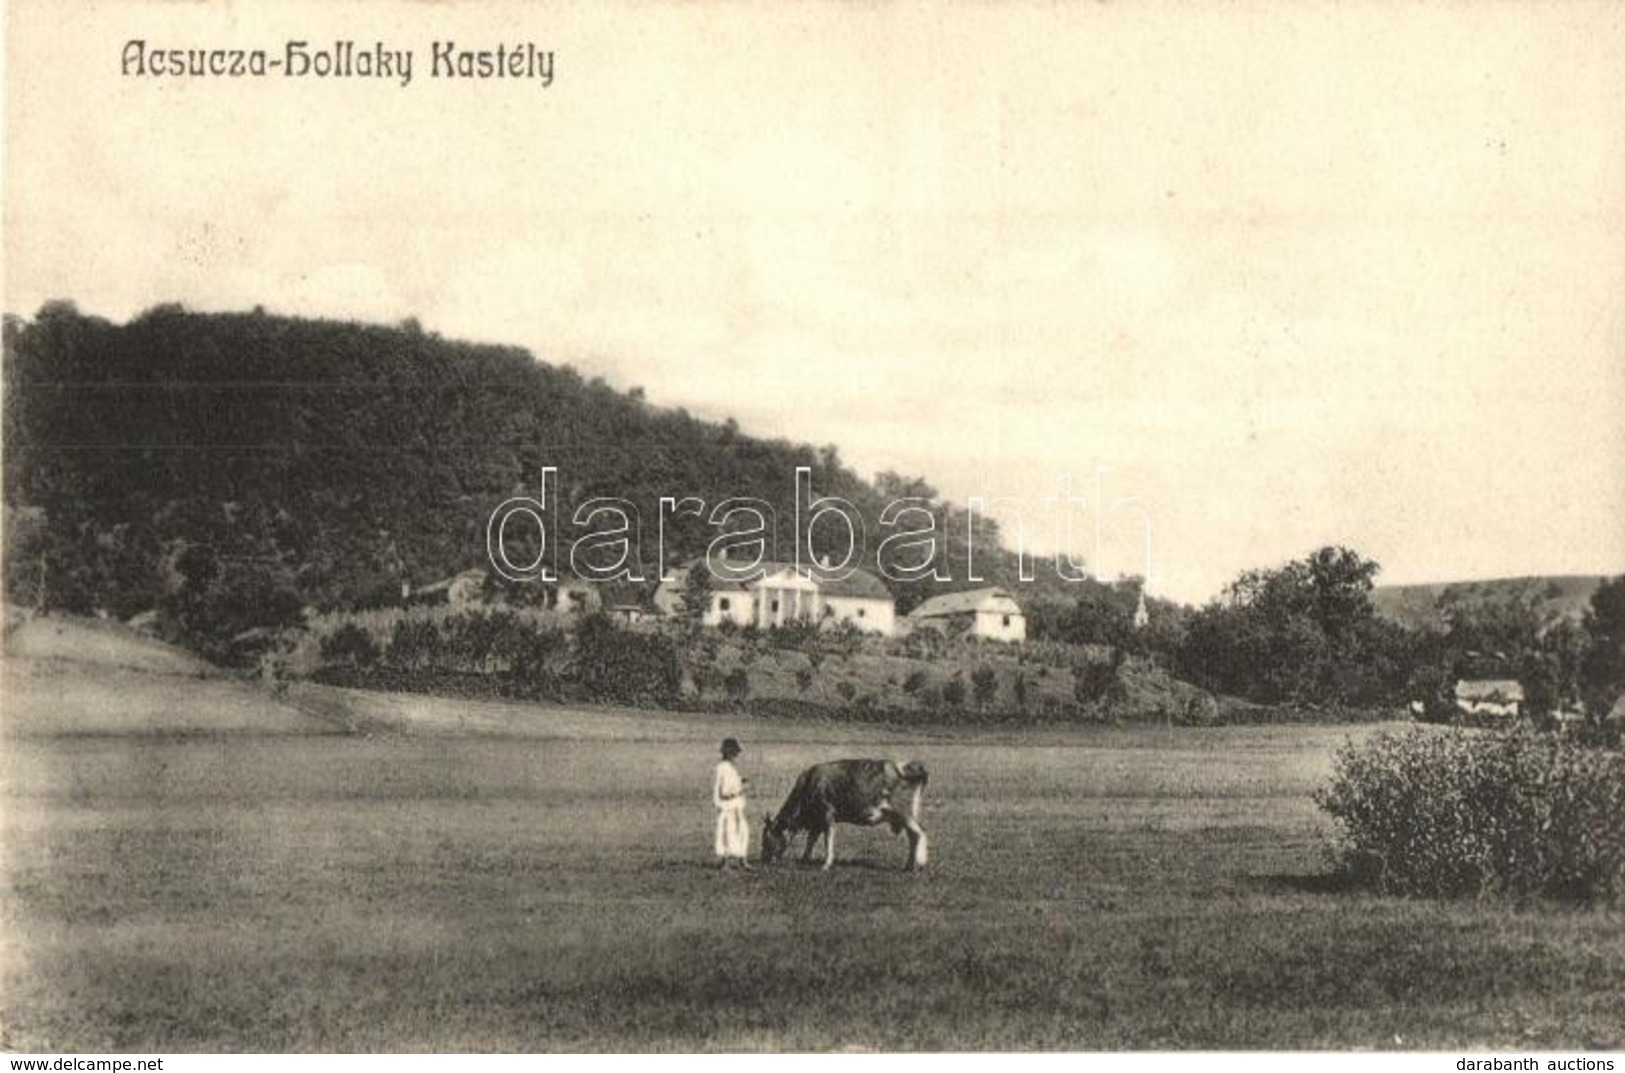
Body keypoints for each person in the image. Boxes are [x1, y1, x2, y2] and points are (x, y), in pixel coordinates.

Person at [712, 738, 752, 870]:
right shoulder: (723, 768)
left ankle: (742, 861)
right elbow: (724, 792)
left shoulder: (729, 768)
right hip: (728, 807)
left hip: (735, 806)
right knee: (728, 834)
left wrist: (740, 781)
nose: (737, 756)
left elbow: (731, 785)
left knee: (742, 832)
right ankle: (725, 863)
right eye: (735, 754)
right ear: (729, 754)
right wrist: (741, 789)